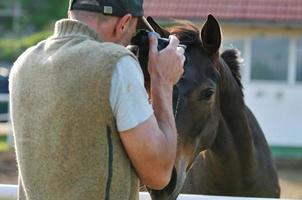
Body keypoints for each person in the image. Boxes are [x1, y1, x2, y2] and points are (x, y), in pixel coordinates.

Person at [9, 0, 185, 199]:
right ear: (124, 23)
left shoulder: (24, 64)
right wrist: (163, 82)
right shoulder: (116, 63)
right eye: (133, 34)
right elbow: (158, 175)